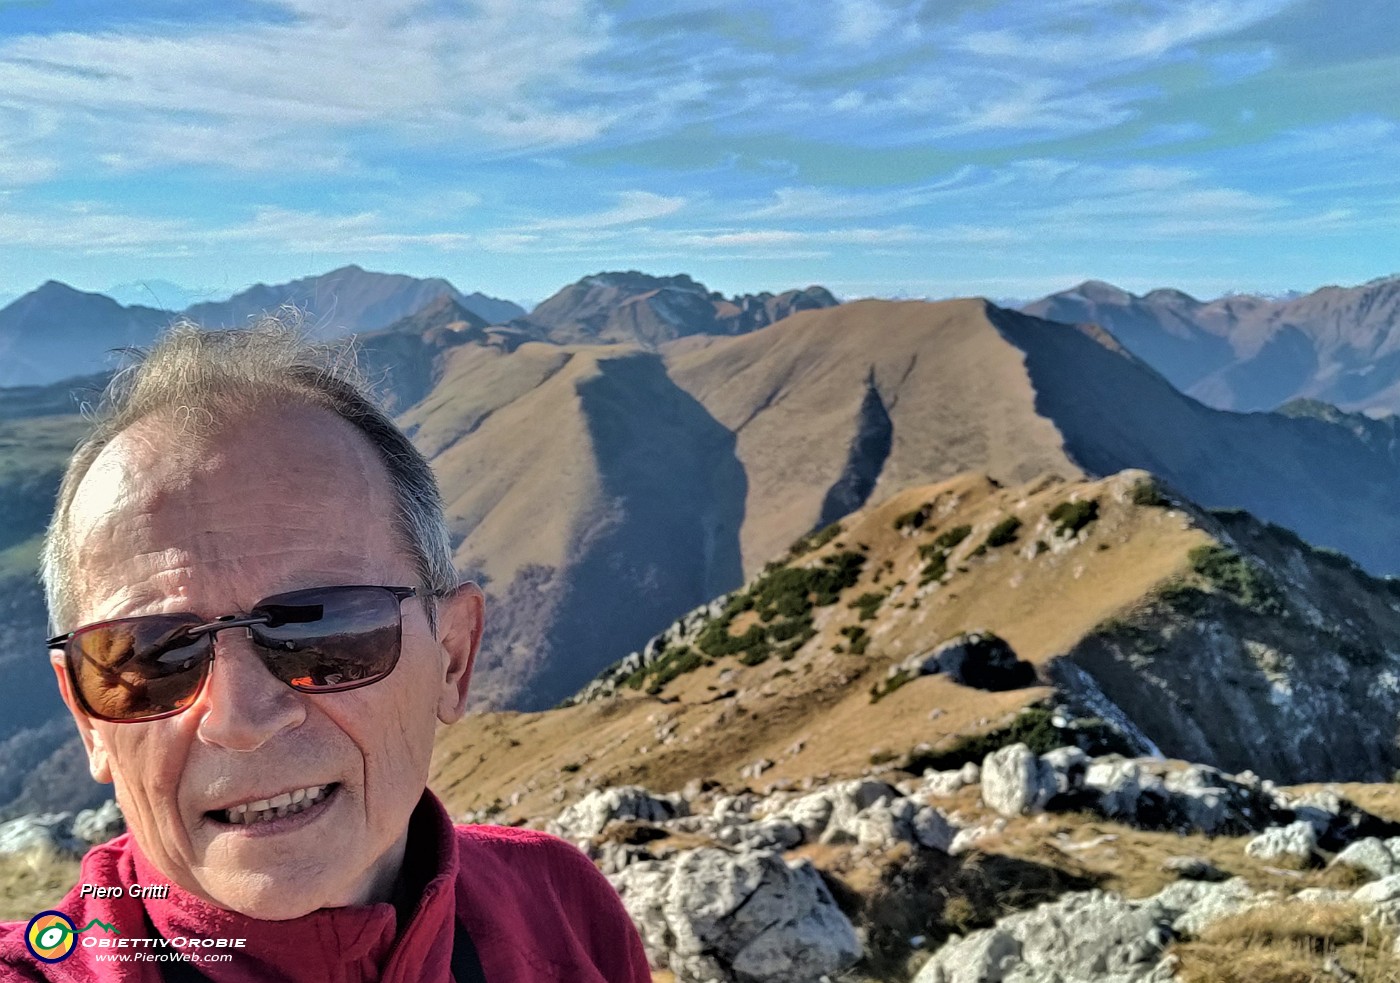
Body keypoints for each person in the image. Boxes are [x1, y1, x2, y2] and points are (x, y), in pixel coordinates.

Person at [0, 321, 652, 982]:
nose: (241, 720)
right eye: (153, 655)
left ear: (452, 657)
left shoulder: (564, 906)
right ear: (90, 720)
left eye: (324, 630)